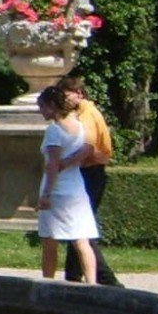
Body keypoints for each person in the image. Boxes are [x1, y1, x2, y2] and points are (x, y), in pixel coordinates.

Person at [58, 74, 123, 287]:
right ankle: (72, 275)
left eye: (66, 95)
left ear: (78, 93)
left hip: (90, 171)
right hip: (90, 171)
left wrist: (64, 163)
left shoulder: (87, 115)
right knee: (77, 226)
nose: (64, 100)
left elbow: (87, 147)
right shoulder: (82, 113)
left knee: (82, 228)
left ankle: (106, 279)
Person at [35, 87, 99, 284]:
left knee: (50, 240)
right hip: (76, 188)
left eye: (43, 107)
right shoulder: (79, 126)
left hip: (57, 191)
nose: (41, 112)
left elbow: (53, 164)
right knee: (81, 240)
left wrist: (46, 194)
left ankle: (48, 282)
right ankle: (92, 282)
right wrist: (69, 161)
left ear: (53, 106)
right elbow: (88, 148)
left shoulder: (54, 130)